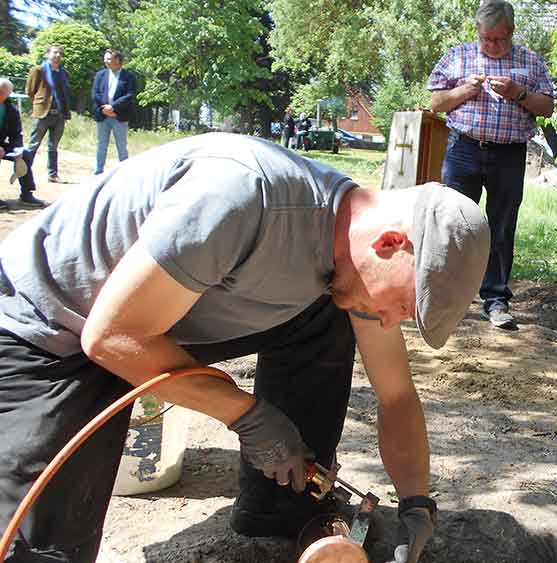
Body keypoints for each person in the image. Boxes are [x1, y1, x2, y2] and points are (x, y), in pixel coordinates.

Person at [0, 133, 490, 563]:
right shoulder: (242, 198)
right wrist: (249, 415)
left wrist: (416, 504)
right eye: (402, 305)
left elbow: (396, 394)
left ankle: (283, 508)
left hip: (157, 317)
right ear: (388, 243)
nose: (389, 321)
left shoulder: (349, 256)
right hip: (48, 329)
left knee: (329, 310)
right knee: (42, 547)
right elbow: (111, 338)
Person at [427, 0, 554, 330]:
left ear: (511, 32)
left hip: (509, 154)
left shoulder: (530, 60)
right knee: (453, 223)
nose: (493, 45)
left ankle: (496, 300)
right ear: (477, 32)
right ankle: (445, 297)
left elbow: (547, 108)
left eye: (499, 39)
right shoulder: (457, 56)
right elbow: (436, 103)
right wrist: (463, 91)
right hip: (463, 149)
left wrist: (518, 93)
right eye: (486, 39)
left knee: (500, 227)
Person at [23, 43, 71, 203]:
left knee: (53, 147)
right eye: (54, 53)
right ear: (48, 54)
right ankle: (24, 174)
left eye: (60, 53)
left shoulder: (64, 73)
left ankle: (53, 174)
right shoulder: (39, 70)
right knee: (33, 145)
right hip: (42, 114)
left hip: (59, 115)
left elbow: (65, 93)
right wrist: (40, 104)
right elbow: (30, 91)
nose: (57, 55)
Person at [91, 49, 137, 175]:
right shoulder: (101, 74)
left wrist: (114, 107)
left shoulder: (129, 76)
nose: (106, 61)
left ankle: (125, 172)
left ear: (118, 61)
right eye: (105, 59)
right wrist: (104, 108)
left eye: (109, 59)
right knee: (101, 144)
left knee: (121, 146)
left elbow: (130, 95)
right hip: (103, 115)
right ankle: (98, 171)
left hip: (119, 116)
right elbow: (95, 93)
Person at [0, 78, 33, 212]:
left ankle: (27, 195)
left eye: (3, 92)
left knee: (24, 154)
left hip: (2, 145)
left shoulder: (11, 109)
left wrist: (17, 148)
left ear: (8, 94)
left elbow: (16, 134)